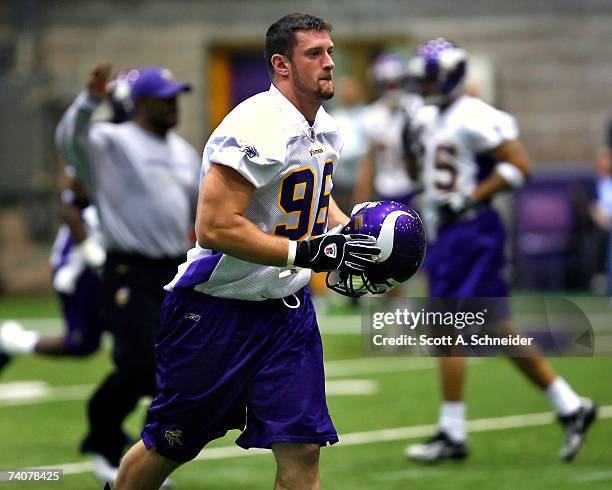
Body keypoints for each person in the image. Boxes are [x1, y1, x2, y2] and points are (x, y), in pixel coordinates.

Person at [113, 13, 381, 490]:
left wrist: (359, 236)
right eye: (314, 54)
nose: (329, 63)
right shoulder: (256, 124)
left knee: (302, 448)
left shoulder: (327, 129)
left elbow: (317, 204)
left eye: (330, 52)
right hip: (215, 310)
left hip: (287, 313)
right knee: (172, 442)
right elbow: (214, 227)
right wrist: (306, 255)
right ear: (281, 64)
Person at [403, 38, 597, 463]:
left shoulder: (474, 115)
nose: (423, 86)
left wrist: (473, 196)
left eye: (430, 78)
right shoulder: (429, 115)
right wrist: (407, 142)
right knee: (476, 330)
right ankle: (568, 405)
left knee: (465, 327)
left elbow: (518, 167)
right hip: (448, 232)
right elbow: (420, 172)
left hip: (473, 232)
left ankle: (459, 431)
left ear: (451, 76)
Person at [55, 61, 201, 483]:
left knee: (174, 370)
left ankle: (145, 458)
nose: (175, 105)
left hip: (174, 269)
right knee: (139, 365)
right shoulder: (109, 141)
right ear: (141, 103)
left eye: (177, 97)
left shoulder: (182, 151)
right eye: (165, 98)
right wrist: (89, 101)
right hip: (128, 268)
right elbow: (69, 141)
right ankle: (102, 439)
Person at [0, 172, 105, 362]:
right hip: (79, 270)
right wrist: (93, 254)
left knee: (140, 333)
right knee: (82, 343)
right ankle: (14, 340)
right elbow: (69, 207)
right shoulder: (90, 157)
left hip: (113, 265)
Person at [353, 52, 422, 207]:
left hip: (415, 190)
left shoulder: (418, 109)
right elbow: (368, 163)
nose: (392, 90)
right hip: (384, 189)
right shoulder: (371, 116)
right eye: (387, 84)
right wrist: (360, 202)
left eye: (396, 83)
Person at [329, 75, 368, 213]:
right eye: (344, 89)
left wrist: (363, 188)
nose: (347, 92)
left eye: (350, 88)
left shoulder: (367, 115)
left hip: (362, 182)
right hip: (338, 185)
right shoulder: (333, 117)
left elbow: (369, 154)